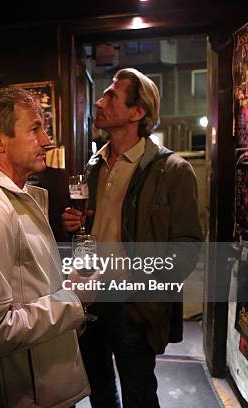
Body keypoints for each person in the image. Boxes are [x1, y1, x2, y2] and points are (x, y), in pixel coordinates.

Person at [62, 68, 203, 408]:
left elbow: (187, 248)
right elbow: (93, 229)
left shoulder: (173, 170)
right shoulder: (94, 164)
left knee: (139, 395)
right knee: (98, 390)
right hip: (91, 299)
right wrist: (74, 227)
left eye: (111, 95)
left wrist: (145, 303)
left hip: (133, 304)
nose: (100, 101)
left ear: (138, 112)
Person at [0, 88, 90, 407]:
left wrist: (67, 285)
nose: (47, 140)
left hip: (49, 386)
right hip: (27, 395)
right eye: (35, 128)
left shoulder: (23, 198)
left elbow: (31, 290)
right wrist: (74, 300)